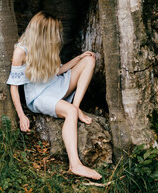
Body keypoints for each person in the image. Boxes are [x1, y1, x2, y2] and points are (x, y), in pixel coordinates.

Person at [6, 11, 102, 180]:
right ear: (45, 33)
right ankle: (75, 165)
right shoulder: (21, 51)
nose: (58, 35)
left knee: (89, 60)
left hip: (57, 85)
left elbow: (58, 71)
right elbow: (13, 86)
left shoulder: (48, 46)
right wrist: (21, 116)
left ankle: (77, 105)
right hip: (40, 97)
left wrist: (79, 58)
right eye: (55, 32)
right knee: (69, 112)